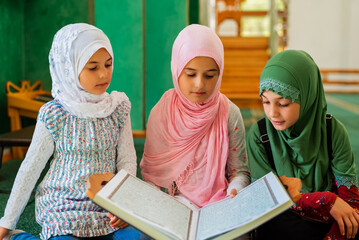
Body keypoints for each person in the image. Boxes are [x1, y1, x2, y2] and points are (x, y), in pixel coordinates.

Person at [0, 23, 149, 240]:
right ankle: (15, 237)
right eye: (92, 67)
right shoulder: (54, 114)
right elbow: (29, 169)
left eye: (108, 65)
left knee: (144, 237)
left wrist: (122, 205)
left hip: (107, 205)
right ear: (69, 68)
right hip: (64, 205)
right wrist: (7, 221)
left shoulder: (118, 107)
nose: (103, 74)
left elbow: (126, 161)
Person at [246, 50, 359, 240]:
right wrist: (326, 200)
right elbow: (266, 198)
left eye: (283, 103)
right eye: (265, 102)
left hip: (326, 221)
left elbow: (350, 198)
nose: (272, 113)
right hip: (283, 219)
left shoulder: (333, 131)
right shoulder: (260, 134)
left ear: (307, 98)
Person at [140, 24, 250, 210]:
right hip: (174, 205)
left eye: (210, 75)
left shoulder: (229, 113)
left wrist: (235, 190)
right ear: (176, 69)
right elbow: (153, 179)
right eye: (190, 74)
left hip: (220, 203)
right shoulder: (162, 112)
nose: (200, 84)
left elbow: (239, 172)